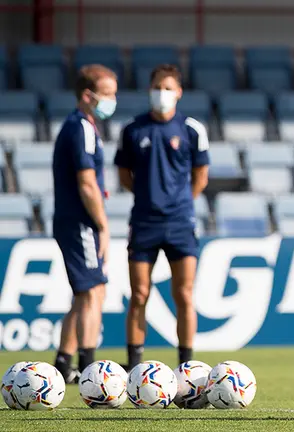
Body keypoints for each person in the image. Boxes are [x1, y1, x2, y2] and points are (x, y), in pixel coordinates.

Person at [115, 64, 209, 370]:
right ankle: (134, 366)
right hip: (144, 222)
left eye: (168, 88)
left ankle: (186, 366)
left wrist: (179, 202)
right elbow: (124, 176)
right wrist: (149, 197)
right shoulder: (132, 130)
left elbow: (201, 177)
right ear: (149, 90)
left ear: (178, 92)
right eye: (157, 87)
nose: (162, 93)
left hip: (181, 222)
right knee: (139, 294)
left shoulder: (192, 129)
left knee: (184, 294)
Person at [52, 64, 117, 382]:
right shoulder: (81, 128)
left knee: (83, 294)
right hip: (80, 221)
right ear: (88, 95)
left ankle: (64, 364)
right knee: (94, 291)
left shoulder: (82, 126)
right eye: (107, 94)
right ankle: (90, 369)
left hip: (73, 220)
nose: (112, 101)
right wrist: (102, 225)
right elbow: (87, 183)